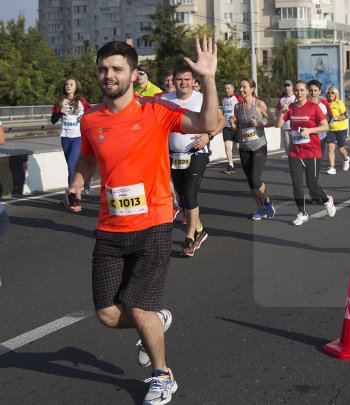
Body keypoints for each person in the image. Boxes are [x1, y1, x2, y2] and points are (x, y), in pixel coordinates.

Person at [65, 36, 222, 405]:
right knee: (106, 314)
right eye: (103, 69)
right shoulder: (91, 120)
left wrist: (209, 79)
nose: (109, 75)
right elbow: (88, 161)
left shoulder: (155, 110)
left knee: (138, 307)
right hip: (109, 227)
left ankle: (161, 374)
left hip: (153, 223)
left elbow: (208, 121)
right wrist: (76, 183)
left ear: (134, 75)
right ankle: (156, 319)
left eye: (117, 68)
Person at [161, 65, 222, 257]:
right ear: (173, 80)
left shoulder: (202, 99)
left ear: (193, 81)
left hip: (197, 152)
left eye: (187, 79)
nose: (183, 82)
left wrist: (208, 136)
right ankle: (200, 229)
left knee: (189, 193)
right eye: (179, 78)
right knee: (183, 196)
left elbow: (221, 120)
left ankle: (189, 238)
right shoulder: (164, 99)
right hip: (174, 155)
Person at [276, 80, 336, 226]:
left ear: (307, 91)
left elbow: (325, 126)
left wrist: (309, 130)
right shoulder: (290, 108)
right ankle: (302, 213)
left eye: (302, 90)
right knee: (296, 184)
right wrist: (282, 113)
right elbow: (278, 125)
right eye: (296, 90)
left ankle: (327, 200)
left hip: (312, 151)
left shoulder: (314, 107)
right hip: (295, 151)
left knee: (312, 185)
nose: (299, 93)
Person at [229, 78, 276, 220]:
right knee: (250, 182)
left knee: (255, 179)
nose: (241, 89)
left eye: (244, 87)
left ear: (252, 89)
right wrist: (232, 125)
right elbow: (238, 129)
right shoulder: (237, 107)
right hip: (244, 147)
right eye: (240, 87)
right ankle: (260, 208)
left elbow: (272, 121)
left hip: (259, 146)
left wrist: (260, 123)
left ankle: (268, 201)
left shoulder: (259, 104)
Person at [52, 77, 93, 206]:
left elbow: (92, 115)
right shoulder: (59, 101)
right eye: (66, 84)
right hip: (65, 137)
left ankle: (71, 198)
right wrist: (59, 112)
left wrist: (84, 118)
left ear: (76, 87)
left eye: (71, 84)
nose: (68, 86)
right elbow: (53, 120)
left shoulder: (82, 102)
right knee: (71, 166)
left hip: (78, 137)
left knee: (71, 165)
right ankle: (86, 179)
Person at [325, 86, 350, 173]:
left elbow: (345, 116)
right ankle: (332, 167)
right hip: (330, 129)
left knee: (340, 148)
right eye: (328, 93)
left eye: (332, 92)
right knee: (330, 147)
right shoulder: (325, 103)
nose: (330, 94)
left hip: (341, 128)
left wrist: (335, 118)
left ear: (336, 94)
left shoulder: (339, 103)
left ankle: (346, 159)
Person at [221, 81, 243, 174]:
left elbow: (243, 109)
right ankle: (231, 165)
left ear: (233, 89)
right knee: (227, 146)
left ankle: (245, 161)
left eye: (228, 88)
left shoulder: (238, 98)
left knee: (239, 146)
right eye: (225, 88)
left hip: (236, 126)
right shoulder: (223, 99)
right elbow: (223, 112)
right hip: (226, 126)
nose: (226, 90)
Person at [275, 80, 296, 158]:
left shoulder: (296, 97)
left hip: (296, 126)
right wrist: (282, 112)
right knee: (287, 148)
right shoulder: (281, 99)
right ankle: (292, 164)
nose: (287, 88)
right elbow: (276, 112)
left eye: (288, 86)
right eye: (285, 86)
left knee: (297, 146)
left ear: (292, 86)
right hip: (285, 127)